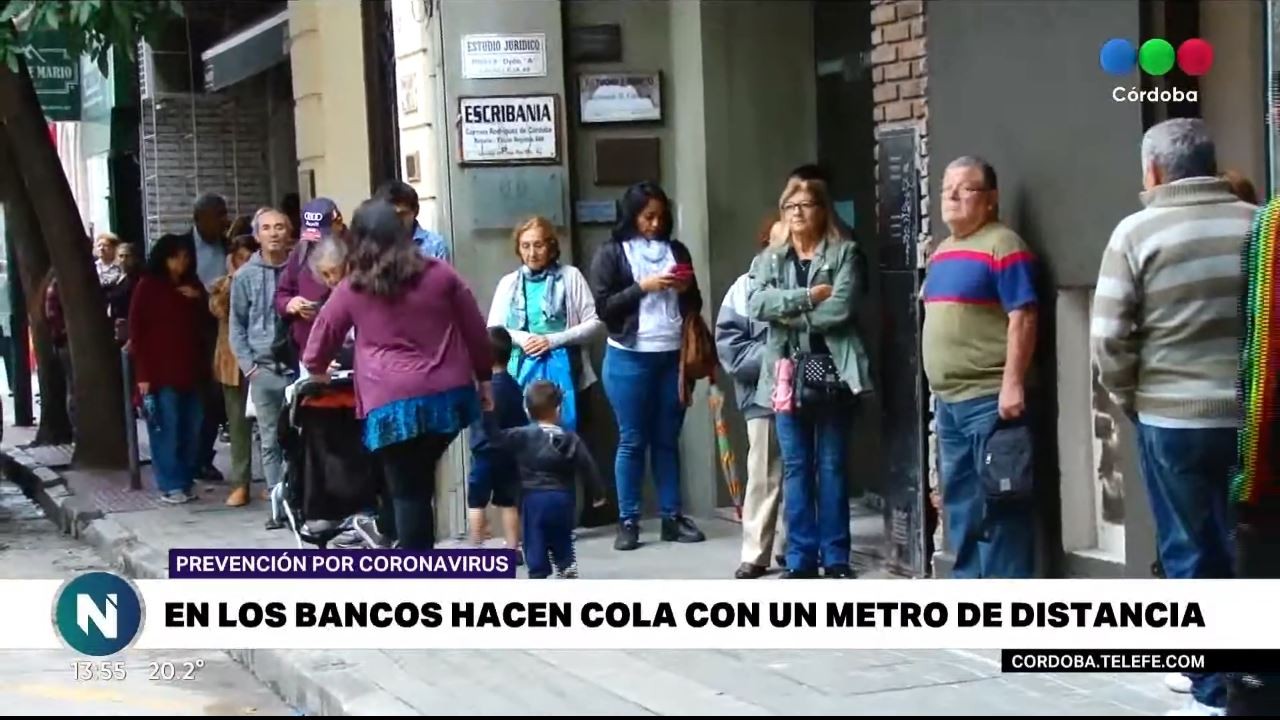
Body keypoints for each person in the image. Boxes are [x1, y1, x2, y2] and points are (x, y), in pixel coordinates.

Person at [1091, 118, 1254, 716]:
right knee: (1249, 551)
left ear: (1153, 172)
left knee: (1191, 553)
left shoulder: (1136, 232)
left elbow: (1108, 337)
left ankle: (1214, 694)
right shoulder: (1257, 225)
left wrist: (1130, 396)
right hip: (1255, 421)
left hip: (1172, 422)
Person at [303, 199, 492, 550]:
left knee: (408, 489)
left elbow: (321, 338)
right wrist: (484, 378)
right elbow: (475, 328)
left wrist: (317, 370)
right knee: (415, 481)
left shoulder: (353, 286)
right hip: (447, 397)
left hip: (390, 402)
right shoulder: (440, 273)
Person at [749, 177, 871, 579]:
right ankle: (800, 558)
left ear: (823, 210)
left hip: (833, 370)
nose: (798, 212)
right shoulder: (770, 259)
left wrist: (786, 312)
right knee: (797, 467)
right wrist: (806, 297)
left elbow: (840, 310)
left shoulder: (845, 253)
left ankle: (835, 556)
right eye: (790, 206)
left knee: (832, 466)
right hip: (786, 373)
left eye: (807, 204)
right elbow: (755, 304)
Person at [588, 181, 706, 551]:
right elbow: (604, 308)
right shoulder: (612, 253)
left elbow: (696, 303)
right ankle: (629, 520)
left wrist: (685, 288)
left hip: (672, 355)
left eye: (661, 217)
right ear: (632, 216)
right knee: (632, 439)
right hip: (629, 356)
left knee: (667, 439)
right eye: (647, 217)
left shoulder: (677, 249)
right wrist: (644, 286)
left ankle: (672, 517)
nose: (655, 224)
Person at [480, 380, 607, 579]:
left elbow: (494, 438)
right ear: (559, 409)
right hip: (563, 498)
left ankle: (538, 572)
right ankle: (566, 565)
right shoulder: (571, 438)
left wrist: (487, 412)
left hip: (533, 499)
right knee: (563, 535)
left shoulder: (522, 436)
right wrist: (597, 493)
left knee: (535, 538)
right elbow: (587, 466)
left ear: (527, 411)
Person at [719, 217, 788, 579]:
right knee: (763, 473)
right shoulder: (744, 288)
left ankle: (793, 547)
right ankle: (755, 552)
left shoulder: (810, 283)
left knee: (803, 473)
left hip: (805, 394)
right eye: (776, 244)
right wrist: (778, 357)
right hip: (762, 396)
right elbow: (730, 348)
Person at [487, 216, 604, 429]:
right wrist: (525, 340)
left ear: (551, 246)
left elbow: (594, 324)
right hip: (519, 374)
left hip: (569, 373)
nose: (532, 253)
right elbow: (494, 329)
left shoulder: (570, 276)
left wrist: (551, 340)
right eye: (526, 246)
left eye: (538, 245)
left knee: (567, 436)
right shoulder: (509, 283)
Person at [128, 234, 209, 505]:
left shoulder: (192, 286)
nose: (182, 262)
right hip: (160, 374)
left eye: (186, 257)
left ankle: (185, 479)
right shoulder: (148, 287)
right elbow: (137, 333)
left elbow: (205, 322)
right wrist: (143, 376)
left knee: (191, 428)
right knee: (166, 428)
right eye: (178, 257)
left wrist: (198, 298)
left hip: (192, 371)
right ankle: (170, 483)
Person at [230, 207, 297, 528]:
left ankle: (301, 497)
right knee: (269, 439)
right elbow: (236, 326)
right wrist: (249, 368)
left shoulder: (301, 270)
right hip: (263, 369)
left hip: (296, 367)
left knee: (300, 435)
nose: (273, 233)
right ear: (256, 235)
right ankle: (277, 503)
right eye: (267, 228)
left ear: (290, 232)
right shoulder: (245, 276)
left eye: (280, 227)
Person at [178, 192, 232, 483]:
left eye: (225, 214)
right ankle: (190, 457)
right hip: (192, 332)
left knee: (216, 397)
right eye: (218, 215)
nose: (224, 221)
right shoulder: (182, 248)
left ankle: (203, 457)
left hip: (223, 330)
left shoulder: (229, 247)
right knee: (195, 397)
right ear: (199, 218)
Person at [466, 327, 529, 555]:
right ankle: (514, 548)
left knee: (476, 502)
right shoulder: (514, 386)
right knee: (509, 502)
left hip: (483, 452)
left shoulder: (482, 389)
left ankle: (476, 547)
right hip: (509, 454)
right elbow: (522, 421)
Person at [211, 234, 261, 507]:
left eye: (249, 258)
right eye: (239, 259)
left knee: (269, 426)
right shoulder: (221, 286)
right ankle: (241, 484)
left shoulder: (266, 282)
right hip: (233, 365)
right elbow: (219, 309)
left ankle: (275, 483)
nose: (245, 264)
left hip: (263, 362)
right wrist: (233, 278)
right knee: (238, 427)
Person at [276, 197, 346, 357]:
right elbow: (282, 294)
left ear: (338, 223)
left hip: (347, 349)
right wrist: (290, 304)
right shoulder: (300, 252)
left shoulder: (356, 251)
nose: (317, 242)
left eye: (323, 235)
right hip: (308, 348)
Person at [374, 180, 450, 262]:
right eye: (389, 214)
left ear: (415, 211)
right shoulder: (374, 246)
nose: (395, 220)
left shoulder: (435, 245)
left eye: (401, 214)